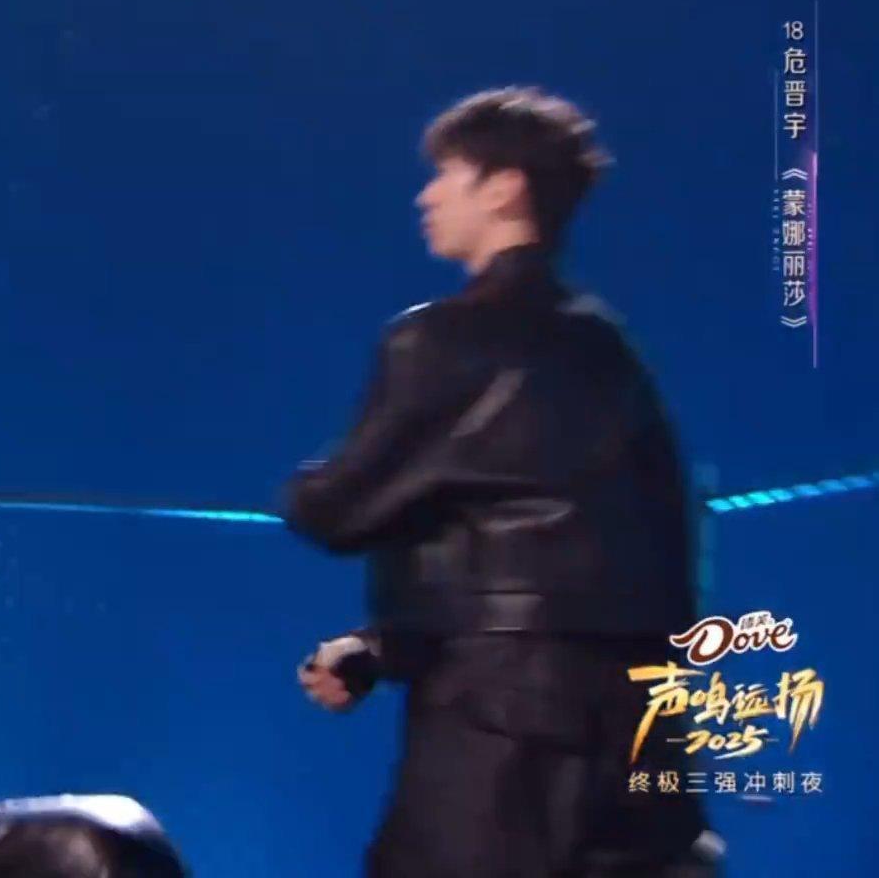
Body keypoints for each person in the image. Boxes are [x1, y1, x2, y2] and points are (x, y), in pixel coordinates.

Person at [283, 88, 722, 876]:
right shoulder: (612, 354)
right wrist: (381, 649)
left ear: (504, 189)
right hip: (642, 742)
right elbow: (566, 567)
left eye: (447, 174)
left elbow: (335, 510)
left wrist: (303, 493)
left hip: (499, 743)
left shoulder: (438, 340)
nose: (427, 196)